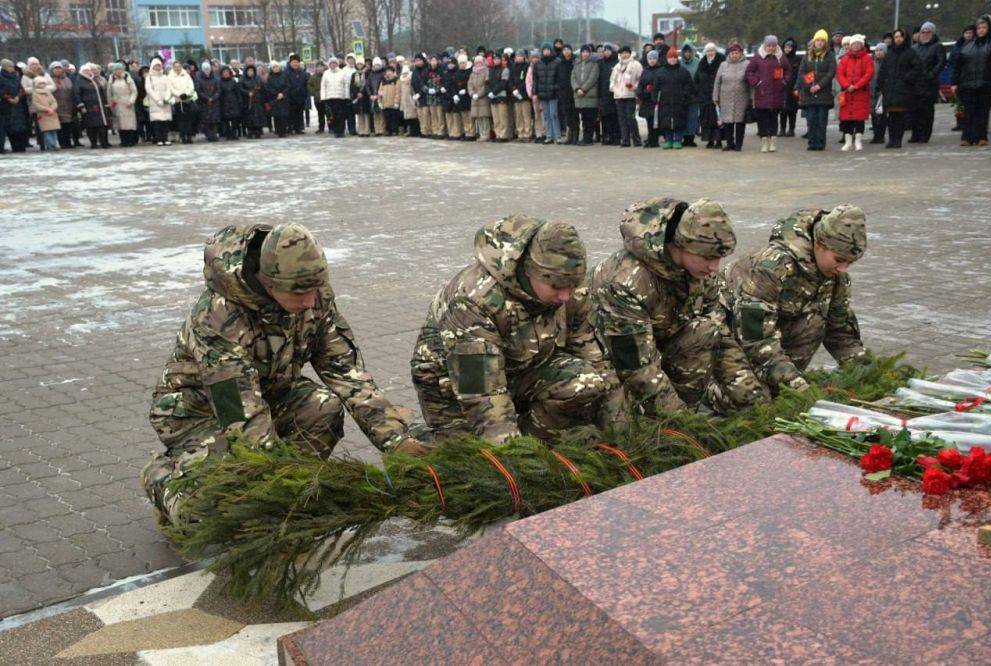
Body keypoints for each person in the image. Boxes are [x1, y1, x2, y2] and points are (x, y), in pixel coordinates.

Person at [142, 223, 426, 525]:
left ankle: (293, 495)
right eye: (300, 293)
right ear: (269, 284)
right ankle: (161, 479)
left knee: (322, 406)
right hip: (200, 413)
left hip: (270, 396)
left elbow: (346, 372)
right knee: (203, 516)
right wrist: (269, 483)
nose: (310, 302)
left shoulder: (313, 297)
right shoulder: (218, 318)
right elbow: (238, 411)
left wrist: (395, 440)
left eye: (315, 290)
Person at [410, 216, 620, 443]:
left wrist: (620, 431)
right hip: (455, 385)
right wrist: (515, 461)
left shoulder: (570, 290)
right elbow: (482, 394)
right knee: (471, 458)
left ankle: (537, 447)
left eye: (572, 285)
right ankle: (419, 438)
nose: (565, 296)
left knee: (586, 382)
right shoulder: (474, 301)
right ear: (529, 272)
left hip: (520, 369)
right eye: (557, 286)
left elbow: (595, 360)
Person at [591, 198, 767, 416]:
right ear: (681, 245)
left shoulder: (700, 274)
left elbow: (723, 338)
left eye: (719, 258)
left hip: (658, 347)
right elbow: (636, 367)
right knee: (619, 417)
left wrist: (754, 400)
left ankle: (680, 413)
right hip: (609, 359)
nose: (714, 268)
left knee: (705, 331)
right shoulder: (626, 281)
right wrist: (680, 422)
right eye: (707, 258)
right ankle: (659, 420)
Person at [725, 205, 868, 395]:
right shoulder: (772, 268)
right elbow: (755, 337)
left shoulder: (836, 278)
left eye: (850, 263)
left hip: (770, 330)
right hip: (730, 332)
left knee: (815, 321)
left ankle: (779, 384)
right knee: (748, 397)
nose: (843, 268)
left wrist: (866, 371)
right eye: (839, 259)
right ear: (819, 244)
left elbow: (840, 331)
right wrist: (793, 382)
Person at [952, 15, 991, 147]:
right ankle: (967, 137)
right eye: (979, 28)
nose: (981, 30)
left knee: (983, 112)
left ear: (988, 28)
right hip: (967, 84)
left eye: (984, 27)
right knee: (968, 112)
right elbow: (958, 65)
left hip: (986, 83)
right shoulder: (967, 46)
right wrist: (954, 83)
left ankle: (981, 137)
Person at [746, 35, 792, 152]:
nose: (771, 48)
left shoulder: (781, 57)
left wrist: (784, 81)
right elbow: (749, 71)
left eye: (773, 46)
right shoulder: (757, 57)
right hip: (762, 93)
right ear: (765, 46)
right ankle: (764, 141)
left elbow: (788, 70)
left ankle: (772, 141)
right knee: (762, 119)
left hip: (777, 93)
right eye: (769, 46)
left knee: (773, 118)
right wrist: (756, 82)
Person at [877, 28, 920, 149]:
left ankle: (898, 140)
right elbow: (883, 71)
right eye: (896, 37)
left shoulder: (910, 52)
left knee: (900, 116)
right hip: (890, 90)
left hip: (903, 89)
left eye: (900, 36)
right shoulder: (889, 53)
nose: (898, 39)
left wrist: (907, 78)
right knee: (891, 117)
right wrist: (882, 85)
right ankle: (891, 140)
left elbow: (917, 68)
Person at [797, 29, 837, 150]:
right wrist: (809, 87)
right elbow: (801, 73)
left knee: (821, 121)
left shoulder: (830, 55)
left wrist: (819, 86)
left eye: (822, 40)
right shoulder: (807, 56)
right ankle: (811, 142)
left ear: (825, 42)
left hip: (823, 94)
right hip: (809, 94)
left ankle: (820, 143)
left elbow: (831, 73)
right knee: (811, 120)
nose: (819, 43)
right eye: (817, 40)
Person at [836, 35, 874, 152]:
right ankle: (848, 142)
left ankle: (858, 141)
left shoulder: (867, 58)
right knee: (846, 119)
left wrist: (857, 85)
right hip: (847, 93)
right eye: (854, 44)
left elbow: (869, 74)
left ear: (862, 45)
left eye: (858, 43)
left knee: (859, 119)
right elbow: (840, 74)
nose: (856, 45)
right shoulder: (845, 59)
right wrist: (847, 85)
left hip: (860, 93)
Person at [910, 22, 946, 143]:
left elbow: (941, 63)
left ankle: (925, 135)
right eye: (923, 32)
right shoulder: (914, 48)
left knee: (927, 112)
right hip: (915, 84)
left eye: (928, 32)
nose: (925, 34)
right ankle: (915, 135)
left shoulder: (937, 46)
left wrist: (931, 75)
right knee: (914, 111)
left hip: (929, 84)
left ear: (933, 33)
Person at [654, 46, 695, 149]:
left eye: (674, 57)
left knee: (679, 121)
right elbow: (656, 87)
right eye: (670, 57)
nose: (672, 59)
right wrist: (655, 98)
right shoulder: (660, 72)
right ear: (667, 59)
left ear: (677, 58)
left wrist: (685, 96)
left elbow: (689, 85)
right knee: (665, 121)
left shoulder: (683, 71)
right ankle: (668, 140)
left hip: (680, 101)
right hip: (665, 101)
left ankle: (678, 140)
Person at [714, 42, 751, 151]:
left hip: (742, 98)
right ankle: (730, 143)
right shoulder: (723, 65)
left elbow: (751, 83)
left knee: (740, 123)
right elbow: (717, 82)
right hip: (725, 98)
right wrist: (715, 97)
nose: (734, 55)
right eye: (732, 53)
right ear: (729, 54)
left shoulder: (747, 64)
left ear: (741, 53)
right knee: (727, 122)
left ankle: (739, 145)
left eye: (736, 53)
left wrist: (752, 98)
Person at [611, 45, 643, 148]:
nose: (624, 55)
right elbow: (612, 80)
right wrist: (614, 89)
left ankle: (637, 140)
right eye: (622, 53)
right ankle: (625, 140)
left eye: (626, 53)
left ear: (630, 53)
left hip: (630, 96)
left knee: (631, 118)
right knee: (622, 119)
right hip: (619, 96)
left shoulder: (636, 65)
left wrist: (634, 87)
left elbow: (641, 79)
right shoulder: (617, 66)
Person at [74, 63, 111, 148]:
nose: (88, 72)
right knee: (91, 126)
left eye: (88, 70)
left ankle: (104, 142)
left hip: (99, 106)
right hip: (88, 107)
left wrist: (105, 104)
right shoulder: (79, 81)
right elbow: (77, 94)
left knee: (102, 125)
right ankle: (93, 143)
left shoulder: (94, 79)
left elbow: (101, 92)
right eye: (85, 71)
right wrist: (81, 106)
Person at [569, 44, 599, 144]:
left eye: (587, 52)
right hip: (578, 96)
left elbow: (592, 78)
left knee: (589, 119)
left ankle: (588, 138)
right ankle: (583, 138)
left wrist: (583, 89)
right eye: (583, 52)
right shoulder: (576, 64)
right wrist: (577, 89)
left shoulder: (594, 64)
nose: (585, 54)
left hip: (589, 95)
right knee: (582, 118)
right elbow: (573, 77)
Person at [694, 43, 722, 147]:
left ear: (715, 51)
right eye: (708, 51)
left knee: (717, 119)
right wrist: (698, 91)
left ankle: (718, 140)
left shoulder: (721, 61)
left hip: (717, 96)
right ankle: (709, 140)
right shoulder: (702, 63)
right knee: (706, 119)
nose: (710, 53)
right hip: (704, 96)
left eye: (712, 50)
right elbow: (696, 79)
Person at [532, 43, 561, 144]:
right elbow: (535, 80)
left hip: (553, 94)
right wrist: (535, 93)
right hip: (542, 94)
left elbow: (559, 78)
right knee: (546, 115)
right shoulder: (538, 63)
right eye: (544, 50)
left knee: (554, 114)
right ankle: (549, 136)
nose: (546, 51)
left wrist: (556, 88)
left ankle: (557, 136)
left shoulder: (557, 62)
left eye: (548, 49)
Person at [106, 62, 138, 147]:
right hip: (117, 103)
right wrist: (111, 105)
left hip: (127, 102)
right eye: (116, 70)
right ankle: (123, 141)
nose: (118, 71)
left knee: (129, 123)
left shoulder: (127, 78)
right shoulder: (111, 79)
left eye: (120, 69)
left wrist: (131, 101)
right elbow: (109, 93)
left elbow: (134, 91)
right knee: (120, 123)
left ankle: (130, 141)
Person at [145, 57, 172, 146]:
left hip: (165, 102)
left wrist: (166, 98)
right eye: (156, 66)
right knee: (157, 122)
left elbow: (169, 88)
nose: (158, 67)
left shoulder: (165, 77)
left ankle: (165, 138)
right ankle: (159, 139)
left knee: (165, 122)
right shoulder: (149, 78)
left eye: (159, 66)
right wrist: (157, 100)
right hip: (155, 103)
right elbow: (149, 90)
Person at [167, 60, 196, 144]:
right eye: (175, 67)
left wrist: (185, 94)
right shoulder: (170, 76)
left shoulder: (186, 75)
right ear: (173, 67)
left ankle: (189, 136)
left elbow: (191, 86)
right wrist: (179, 94)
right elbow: (170, 88)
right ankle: (183, 137)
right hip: (177, 100)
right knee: (181, 120)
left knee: (188, 119)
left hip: (187, 100)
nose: (177, 68)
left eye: (179, 66)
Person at [30, 71, 60, 149]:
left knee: (53, 130)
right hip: (43, 115)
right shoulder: (35, 94)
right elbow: (36, 104)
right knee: (46, 131)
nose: (42, 85)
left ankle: (55, 144)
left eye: (43, 83)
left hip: (52, 114)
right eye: (40, 84)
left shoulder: (48, 92)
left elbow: (54, 101)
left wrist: (52, 108)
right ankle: (50, 145)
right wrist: (46, 109)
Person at [49, 62, 77, 148]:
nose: (58, 70)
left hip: (68, 105)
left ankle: (67, 142)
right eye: (56, 68)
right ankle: (61, 142)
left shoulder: (67, 79)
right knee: (59, 126)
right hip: (56, 105)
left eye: (59, 68)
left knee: (67, 125)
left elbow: (72, 90)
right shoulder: (49, 79)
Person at [636, 49, 660, 147]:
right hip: (646, 99)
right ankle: (650, 139)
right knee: (648, 120)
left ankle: (654, 140)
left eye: (654, 58)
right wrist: (640, 93)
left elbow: (660, 84)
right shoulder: (645, 70)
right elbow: (641, 83)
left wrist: (653, 88)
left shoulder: (660, 70)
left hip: (656, 100)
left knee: (655, 121)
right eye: (650, 58)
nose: (652, 60)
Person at [321, 57, 350, 137]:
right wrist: (323, 97)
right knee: (333, 115)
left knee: (341, 115)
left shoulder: (342, 72)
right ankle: (336, 131)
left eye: (334, 63)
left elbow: (346, 85)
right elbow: (323, 86)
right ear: (329, 64)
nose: (333, 65)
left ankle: (341, 131)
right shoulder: (326, 73)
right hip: (330, 97)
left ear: (337, 64)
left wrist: (347, 96)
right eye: (331, 63)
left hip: (340, 97)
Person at [487, 52, 512, 141]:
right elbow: (487, 83)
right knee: (496, 118)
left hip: (501, 95)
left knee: (503, 117)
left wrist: (494, 92)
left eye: (498, 59)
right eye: (494, 59)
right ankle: (498, 134)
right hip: (492, 97)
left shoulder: (504, 69)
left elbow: (503, 83)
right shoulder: (490, 70)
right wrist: (490, 92)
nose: (496, 60)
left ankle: (504, 135)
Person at [779, 38, 802, 136]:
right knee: (782, 110)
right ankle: (782, 129)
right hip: (782, 87)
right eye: (786, 47)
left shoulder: (798, 59)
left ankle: (791, 129)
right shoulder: (780, 59)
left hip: (793, 87)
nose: (787, 49)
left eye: (790, 47)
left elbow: (800, 74)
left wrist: (798, 86)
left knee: (792, 110)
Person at [679, 42, 700, 146]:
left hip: (694, 94)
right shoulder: (679, 63)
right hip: (681, 94)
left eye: (689, 51)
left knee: (692, 116)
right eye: (685, 51)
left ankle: (691, 138)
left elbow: (700, 78)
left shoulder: (698, 63)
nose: (687, 53)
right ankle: (684, 137)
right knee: (683, 116)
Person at [598, 44, 619, 145]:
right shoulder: (600, 63)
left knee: (614, 116)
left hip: (614, 93)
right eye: (604, 50)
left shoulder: (616, 62)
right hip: (603, 93)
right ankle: (607, 136)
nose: (606, 52)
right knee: (605, 116)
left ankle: (616, 137)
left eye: (608, 50)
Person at [195, 61, 221, 142]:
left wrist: (213, 98)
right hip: (204, 102)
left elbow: (218, 90)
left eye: (208, 69)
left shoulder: (215, 79)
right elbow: (199, 91)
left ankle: (214, 134)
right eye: (205, 69)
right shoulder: (199, 79)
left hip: (214, 102)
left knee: (214, 120)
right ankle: (209, 134)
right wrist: (207, 98)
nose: (207, 71)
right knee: (207, 120)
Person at [468, 54, 491, 141]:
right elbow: (469, 84)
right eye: (476, 62)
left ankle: (486, 134)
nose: (478, 64)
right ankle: (481, 134)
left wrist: (479, 94)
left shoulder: (486, 71)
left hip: (483, 98)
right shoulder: (473, 73)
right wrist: (472, 93)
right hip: (474, 98)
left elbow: (486, 85)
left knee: (484, 117)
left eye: (480, 62)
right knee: (478, 117)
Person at [511, 50, 533, 142]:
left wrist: (519, 90)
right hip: (515, 95)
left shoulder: (527, 66)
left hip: (524, 94)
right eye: (517, 56)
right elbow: (510, 79)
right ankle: (520, 133)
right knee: (518, 115)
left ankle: (527, 133)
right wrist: (513, 89)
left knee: (526, 115)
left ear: (524, 57)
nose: (519, 57)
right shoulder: (513, 66)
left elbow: (526, 80)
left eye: (521, 56)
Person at [265, 60, 290, 138]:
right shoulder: (270, 77)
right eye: (274, 67)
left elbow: (288, 86)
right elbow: (268, 88)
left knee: (284, 116)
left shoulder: (284, 75)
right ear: (271, 69)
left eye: (277, 67)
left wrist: (282, 94)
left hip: (284, 98)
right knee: (277, 116)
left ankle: (284, 131)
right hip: (275, 99)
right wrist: (277, 94)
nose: (276, 68)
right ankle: (278, 131)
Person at [285, 54, 309, 133]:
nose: (295, 64)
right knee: (290, 113)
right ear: (290, 63)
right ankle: (290, 127)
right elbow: (286, 85)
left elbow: (306, 84)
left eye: (296, 62)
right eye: (293, 62)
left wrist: (305, 94)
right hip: (290, 97)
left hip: (300, 97)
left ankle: (298, 128)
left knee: (299, 113)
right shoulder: (286, 73)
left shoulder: (303, 73)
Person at [240, 64, 265, 139]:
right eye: (249, 71)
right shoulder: (243, 79)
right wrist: (247, 92)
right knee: (249, 116)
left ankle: (258, 130)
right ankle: (250, 130)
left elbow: (262, 87)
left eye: (252, 71)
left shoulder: (257, 78)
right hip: (247, 101)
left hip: (257, 100)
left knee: (257, 116)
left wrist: (258, 90)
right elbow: (240, 88)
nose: (250, 72)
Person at [869, 43, 888, 144]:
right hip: (872, 91)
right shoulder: (872, 63)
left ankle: (881, 135)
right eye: (877, 50)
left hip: (883, 92)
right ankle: (876, 135)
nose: (878, 52)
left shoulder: (888, 63)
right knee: (873, 114)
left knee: (882, 114)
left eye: (881, 50)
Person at [378, 64, 403, 136]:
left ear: (393, 72)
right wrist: (379, 101)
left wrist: (396, 102)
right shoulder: (383, 81)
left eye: (390, 71)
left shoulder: (396, 80)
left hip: (393, 104)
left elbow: (398, 92)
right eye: (387, 71)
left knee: (394, 118)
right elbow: (380, 91)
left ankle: (395, 130)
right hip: (385, 103)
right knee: (386, 118)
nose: (388, 73)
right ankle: (388, 131)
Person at [365, 57, 386, 135]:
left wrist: (379, 94)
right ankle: (377, 129)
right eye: (375, 65)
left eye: (378, 64)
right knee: (375, 114)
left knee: (381, 114)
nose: (376, 66)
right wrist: (370, 95)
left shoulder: (383, 74)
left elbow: (384, 84)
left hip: (381, 96)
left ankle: (381, 129)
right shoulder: (371, 74)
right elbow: (367, 85)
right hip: (372, 97)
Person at [308, 61, 326, 133]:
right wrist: (314, 93)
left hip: (327, 97)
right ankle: (321, 128)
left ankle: (331, 127)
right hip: (317, 98)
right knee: (320, 113)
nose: (320, 68)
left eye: (321, 66)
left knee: (329, 113)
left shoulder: (327, 75)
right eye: (318, 67)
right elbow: (309, 85)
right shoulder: (313, 77)